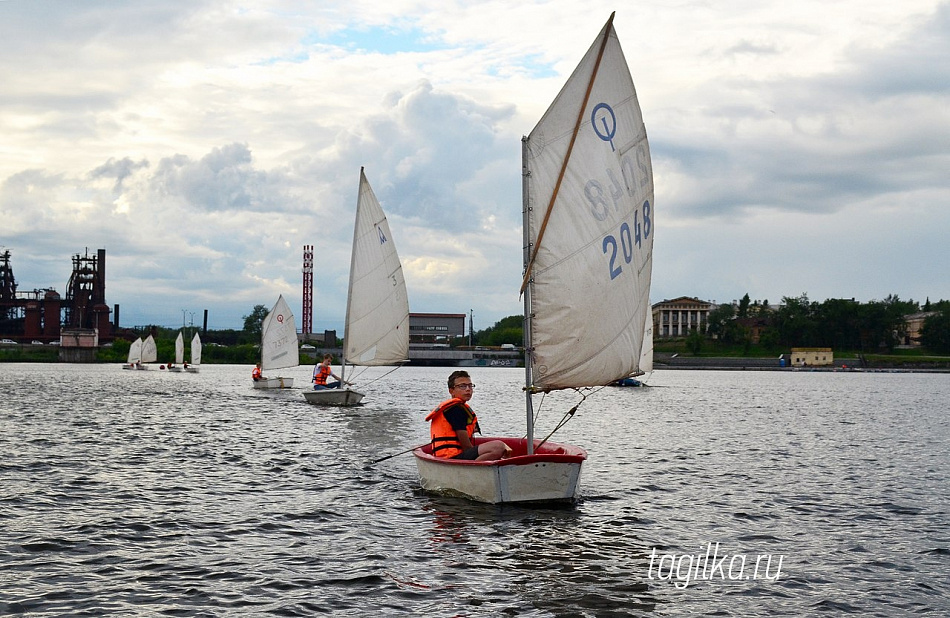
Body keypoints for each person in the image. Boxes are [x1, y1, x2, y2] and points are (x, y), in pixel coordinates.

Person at [425, 370, 511, 461]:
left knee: (496, 448)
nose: (468, 389)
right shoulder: (455, 410)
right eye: (462, 386)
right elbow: (466, 446)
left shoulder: (458, 408)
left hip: (450, 456)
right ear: (451, 391)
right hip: (452, 457)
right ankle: (473, 470)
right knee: (498, 446)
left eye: (470, 385)